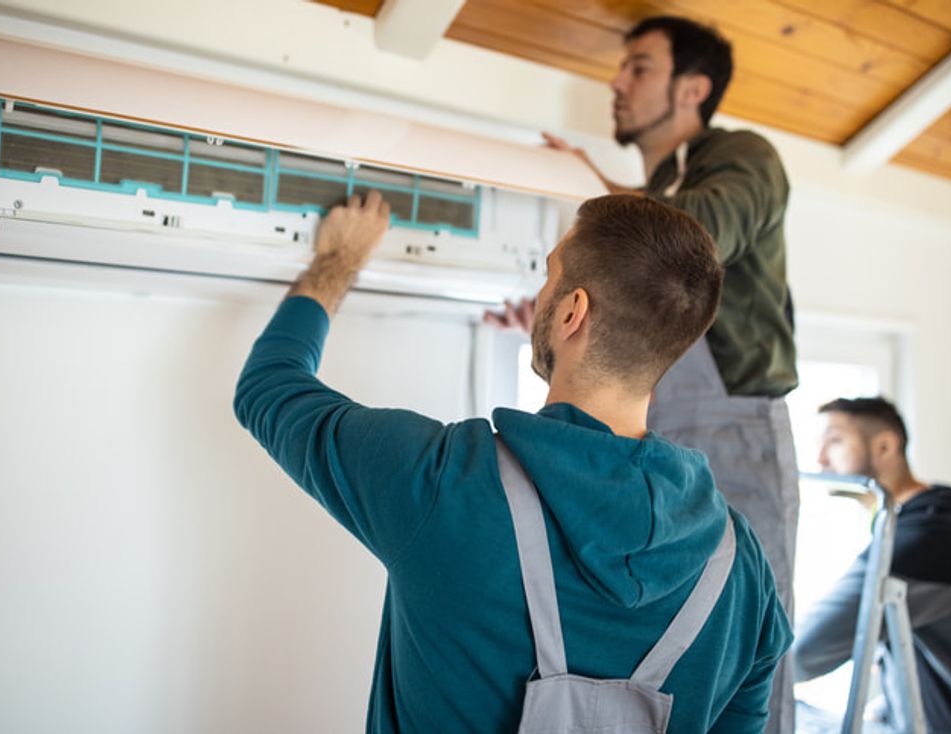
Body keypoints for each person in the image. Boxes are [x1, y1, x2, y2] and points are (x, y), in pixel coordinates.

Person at [235, 190, 792, 732]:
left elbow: (268, 387)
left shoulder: (443, 481)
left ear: (573, 310)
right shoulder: (742, 569)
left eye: (550, 274)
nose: (541, 291)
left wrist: (339, 259)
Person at [487, 16, 799, 732]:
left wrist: (601, 213)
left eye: (638, 68)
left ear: (692, 88)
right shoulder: (661, 182)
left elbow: (687, 246)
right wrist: (561, 316)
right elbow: (647, 273)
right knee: (661, 636)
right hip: (657, 424)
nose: (616, 83)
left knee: (749, 637)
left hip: (735, 421)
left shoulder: (743, 155)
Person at [794, 396, 951, 732]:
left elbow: (800, 654)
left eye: (834, 441)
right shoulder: (946, 518)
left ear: (884, 446)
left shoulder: (932, 539)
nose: (820, 458)